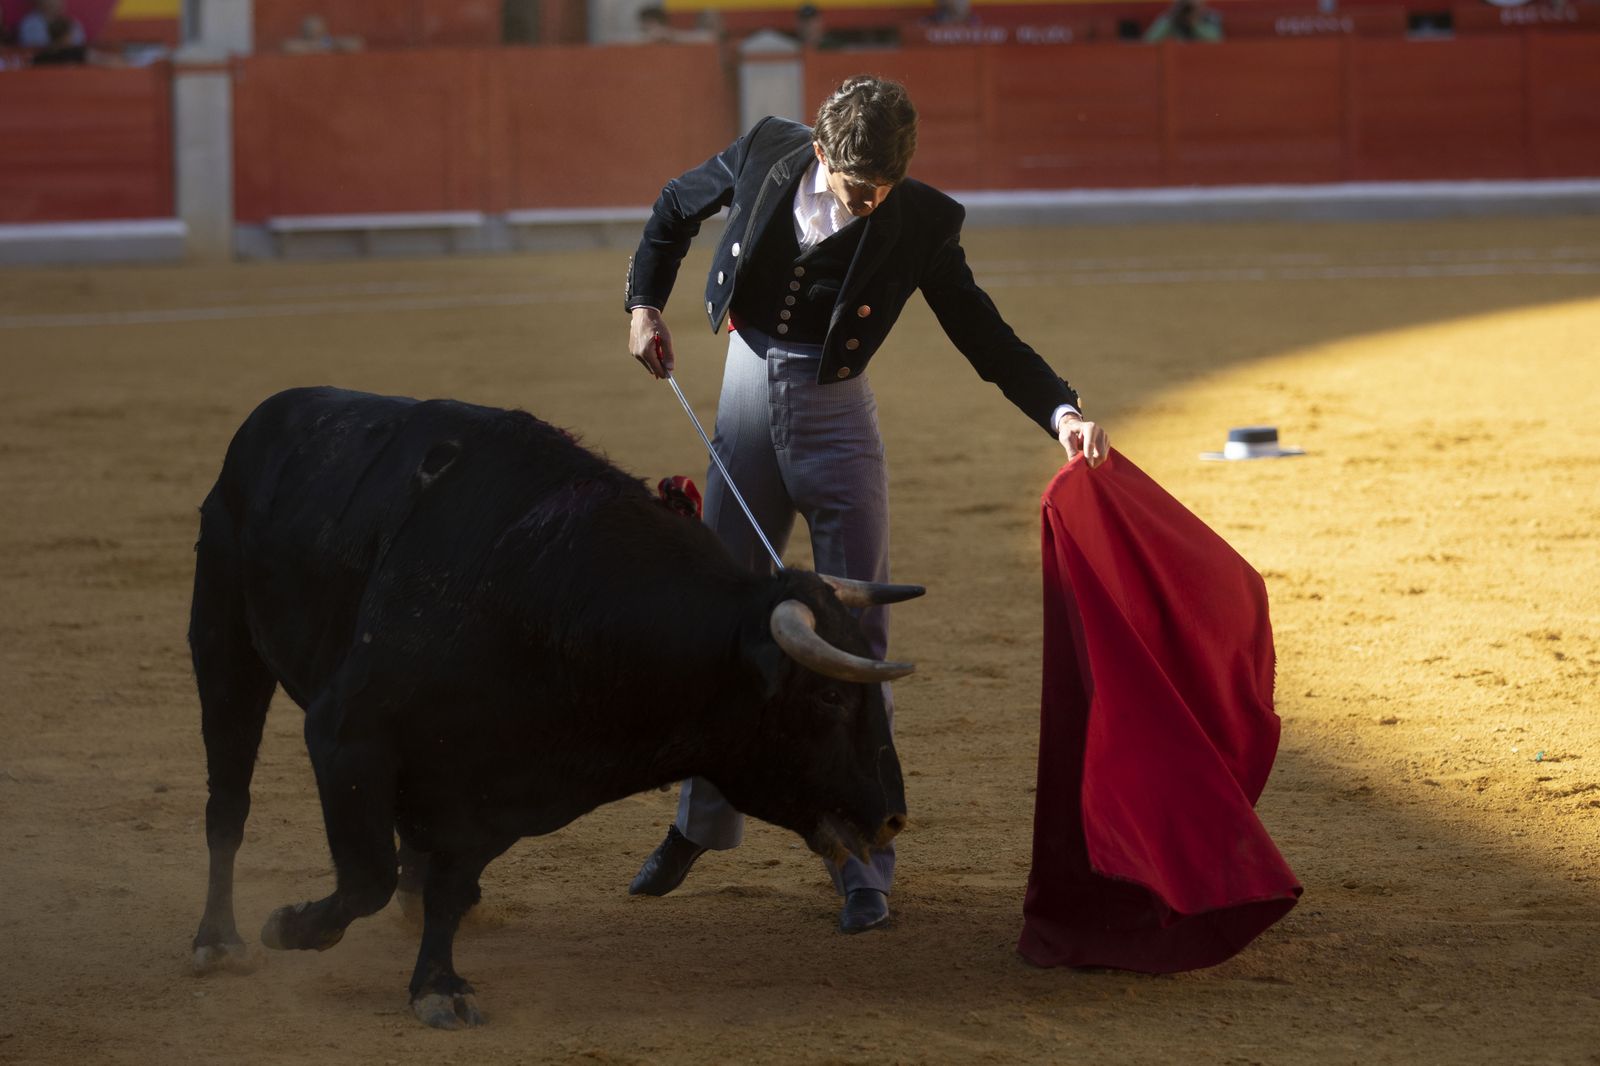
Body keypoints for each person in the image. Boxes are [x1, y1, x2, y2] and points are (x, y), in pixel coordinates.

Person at [622, 75, 1109, 935]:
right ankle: (701, 822)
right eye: (858, 188)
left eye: (885, 188)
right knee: (720, 623)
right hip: (744, 397)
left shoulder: (921, 220)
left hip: (838, 418)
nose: (871, 204)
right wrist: (643, 304)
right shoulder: (766, 151)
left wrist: (1061, 413)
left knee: (857, 642)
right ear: (820, 153)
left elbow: (983, 333)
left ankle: (860, 858)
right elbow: (672, 208)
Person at [16, 0, 84, 49]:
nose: (57, 2)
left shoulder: (73, 23)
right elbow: (32, 49)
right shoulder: (29, 24)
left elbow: (80, 47)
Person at [1143, 0, 1224, 42]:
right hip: (1177, 58)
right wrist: (1172, 18)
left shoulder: (1210, 17)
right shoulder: (1170, 18)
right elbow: (1149, 41)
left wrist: (1194, 23)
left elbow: (1216, 41)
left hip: (1204, 58)